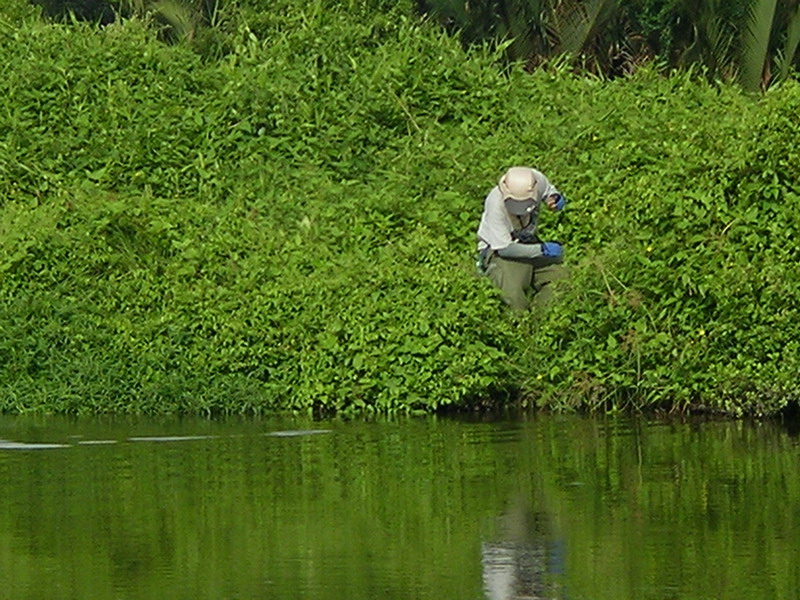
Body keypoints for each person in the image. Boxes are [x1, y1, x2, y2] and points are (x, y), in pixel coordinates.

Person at [476, 166, 568, 311]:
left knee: (562, 280)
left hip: (529, 240)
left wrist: (554, 199)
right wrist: (541, 250)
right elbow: (504, 249)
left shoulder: (536, 180)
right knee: (512, 294)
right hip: (500, 250)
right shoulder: (495, 203)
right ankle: (521, 324)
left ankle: (542, 318)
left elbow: (549, 191)